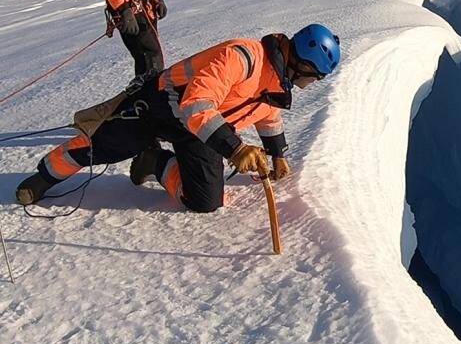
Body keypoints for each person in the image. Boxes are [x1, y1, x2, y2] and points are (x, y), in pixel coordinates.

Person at [16, 24, 341, 212]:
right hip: (161, 108)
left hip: (202, 131)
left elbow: (265, 112)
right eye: (313, 77)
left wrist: (277, 154)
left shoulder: (276, 81)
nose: (309, 84)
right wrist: (236, 149)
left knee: (205, 202)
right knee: (101, 147)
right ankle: (46, 176)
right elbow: (195, 103)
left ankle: (154, 161)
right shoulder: (244, 57)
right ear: (302, 63)